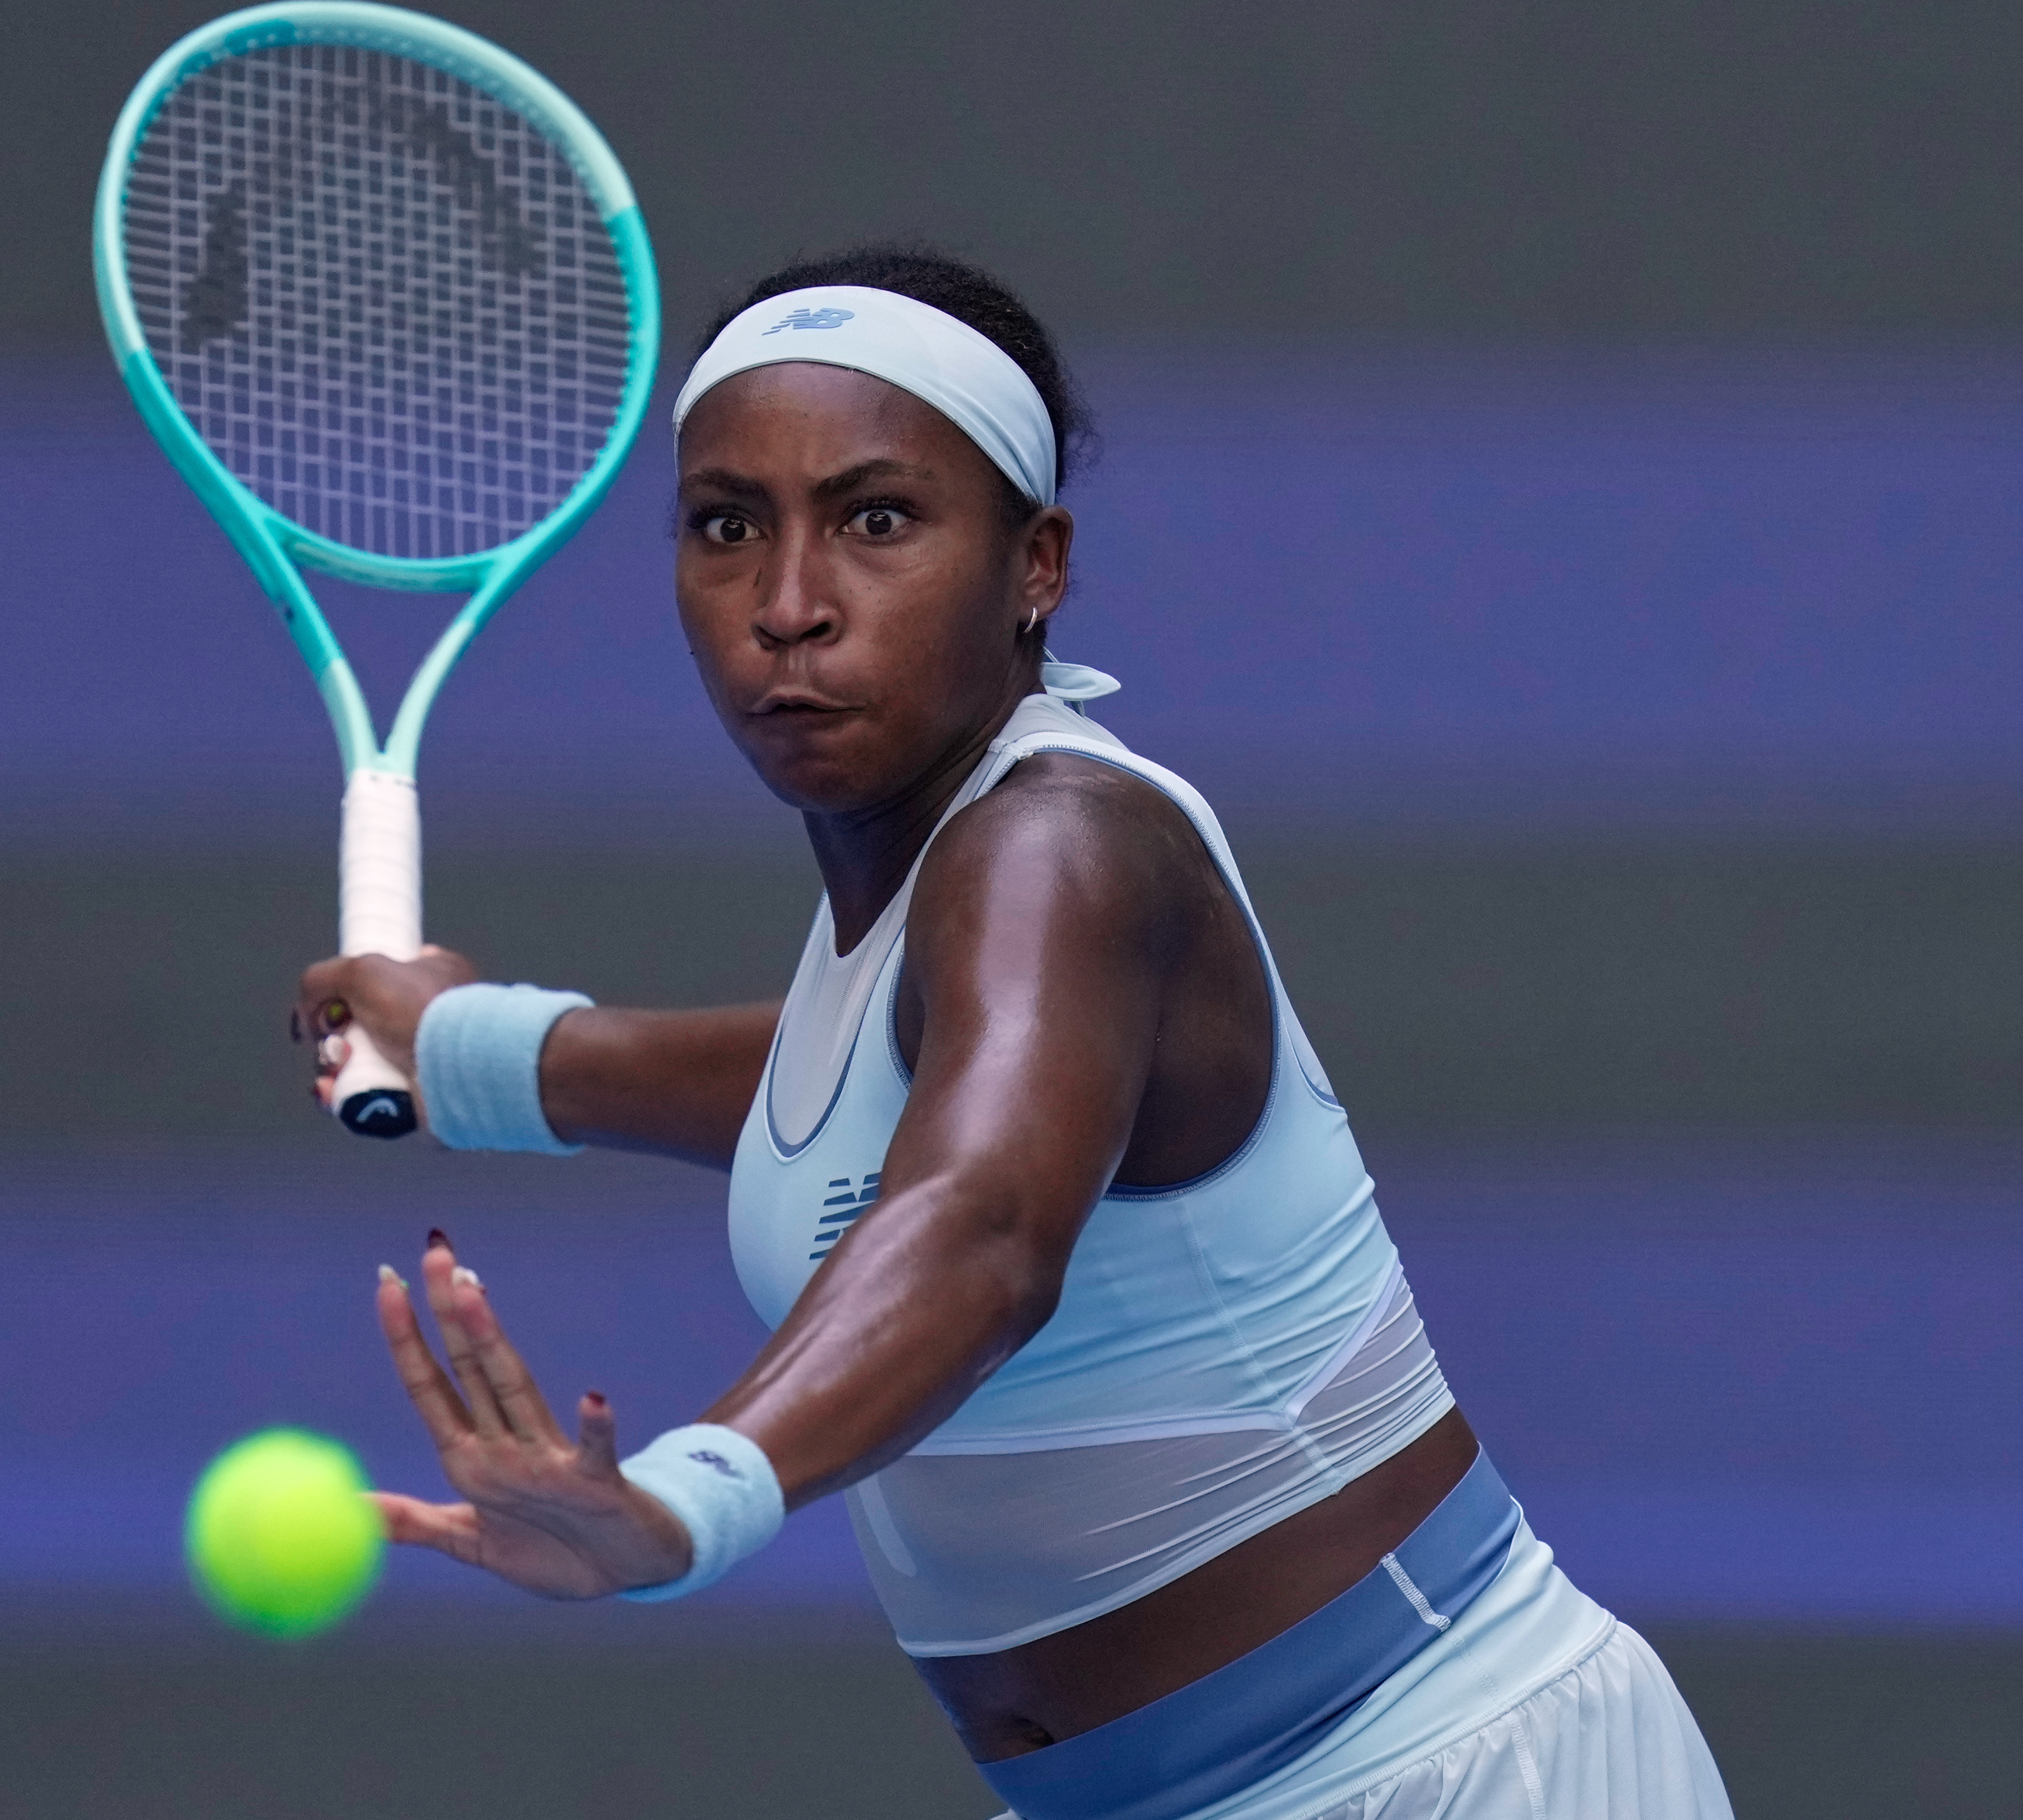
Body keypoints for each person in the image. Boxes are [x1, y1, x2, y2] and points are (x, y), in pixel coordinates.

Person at [294, 247, 1732, 1820]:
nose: (789, 605)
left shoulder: (1060, 845)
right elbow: (842, 1086)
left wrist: (683, 1501)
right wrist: (482, 1053)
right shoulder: (931, 895)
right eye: (728, 527)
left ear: (1035, 564)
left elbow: (977, 1217)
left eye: (877, 519)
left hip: (1431, 1772)